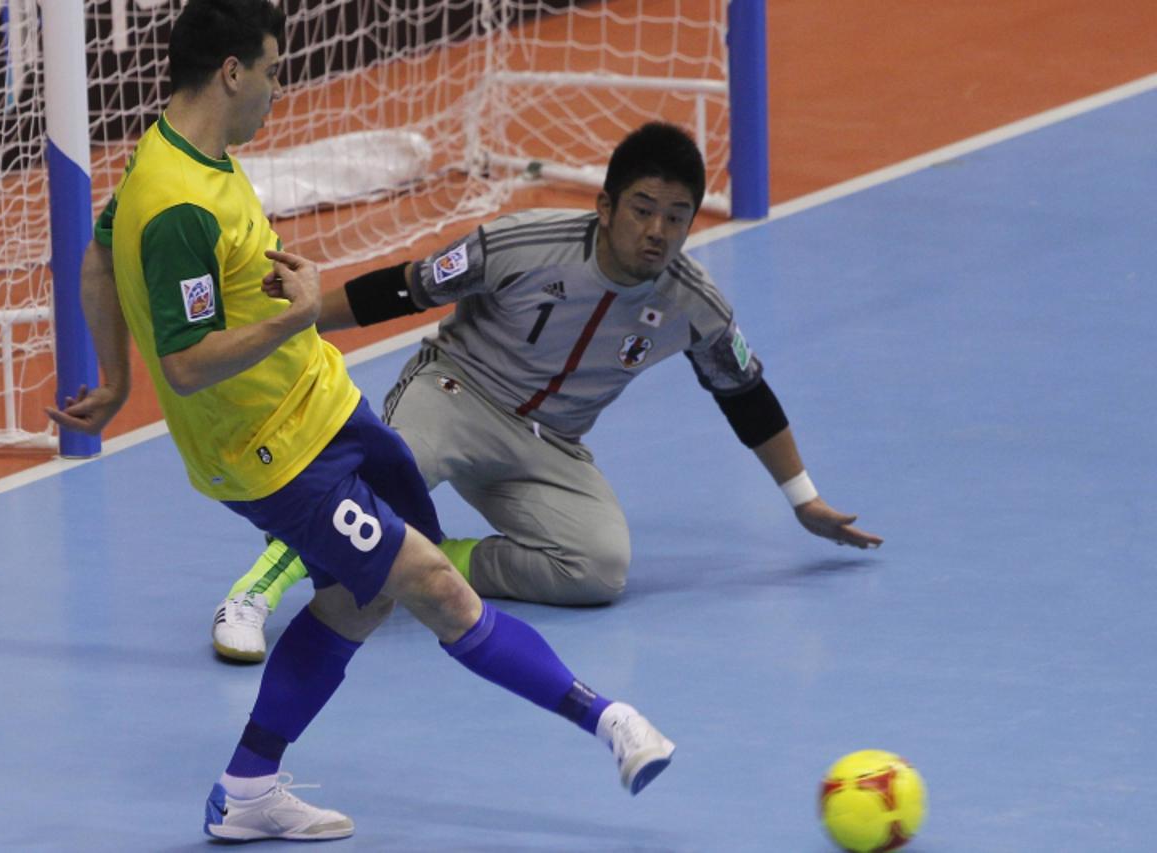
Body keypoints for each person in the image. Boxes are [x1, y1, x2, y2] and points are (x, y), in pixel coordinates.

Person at [46, 0, 675, 841]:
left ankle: (248, 787)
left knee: (359, 600)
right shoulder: (178, 206)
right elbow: (190, 365)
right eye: (271, 69)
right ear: (232, 71)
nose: (279, 87)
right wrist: (293, 316)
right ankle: (612, 724)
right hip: (271, 455)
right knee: (438, 590)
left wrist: (113, 378)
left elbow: (96, 251)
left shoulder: (185, 157)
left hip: (326, 410)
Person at [210, 120, 885, 662]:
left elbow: (745, 393)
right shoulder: (523, 244)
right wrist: (293, 320)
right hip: (455, 393)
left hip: (550, 445)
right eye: (644, 209)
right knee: (385, 476)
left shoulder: (692, 303)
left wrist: (804, 499)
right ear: (605, 205)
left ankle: (435, 560)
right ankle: (252, 593)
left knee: (600, 566)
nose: (658, 230)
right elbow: (405, 287)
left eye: (677, 217)